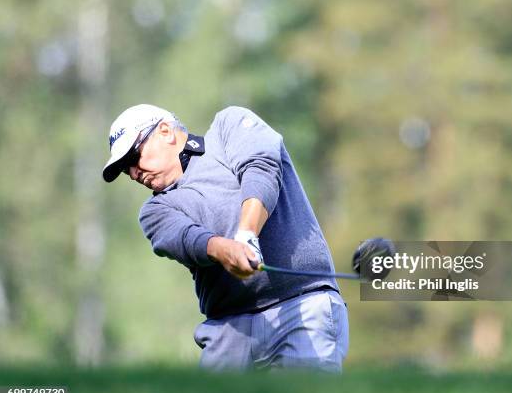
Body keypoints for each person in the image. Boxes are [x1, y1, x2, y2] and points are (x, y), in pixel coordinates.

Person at [102, 104, 349, 372]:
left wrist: (246, 235)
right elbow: (187, 239)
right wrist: (223, 250)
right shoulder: (154, 211)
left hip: (302, 306)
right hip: (228, 329)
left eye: (134, 157)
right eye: (127, 169)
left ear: (165, 132)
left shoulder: (229, 125)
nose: (135, 173)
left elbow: (261, 168)